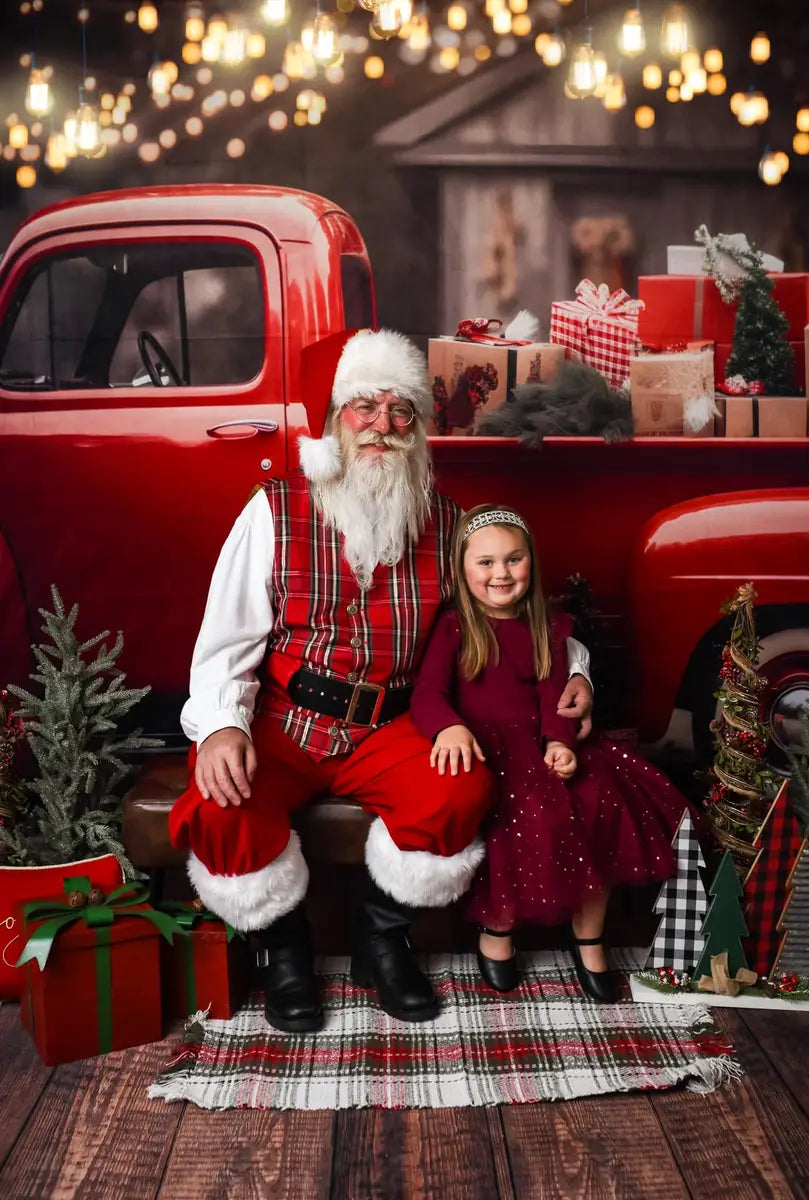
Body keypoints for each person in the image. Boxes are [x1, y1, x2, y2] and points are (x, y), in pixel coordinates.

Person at [169, 330, 595, 1032]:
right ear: (335, 419)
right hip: (285, 719)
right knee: (218, 805)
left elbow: (514, 609)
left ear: (418, 429)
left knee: (462, 788)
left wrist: (576, 670)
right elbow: (226, 640)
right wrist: (219, 726)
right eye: (364, 406)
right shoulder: (273, 511)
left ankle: (380, 938)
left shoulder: (449, 522)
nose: (383, 427)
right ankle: (283, 948)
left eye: (401, 411)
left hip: (394, 723)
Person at [411, 503, 687, 1003]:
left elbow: (553, 692)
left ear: (531, 563)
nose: (501, 573)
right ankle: (498, 930)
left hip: (541, 740)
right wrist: (448, 728)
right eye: (486, 562)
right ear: (462, 568)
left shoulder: (550, 627)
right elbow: (428, 693)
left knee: (600, 800)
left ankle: (590, 937)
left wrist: (559, 741)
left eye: (513, 560)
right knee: (523, 812)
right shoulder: (454, 628)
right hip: (486, 745)